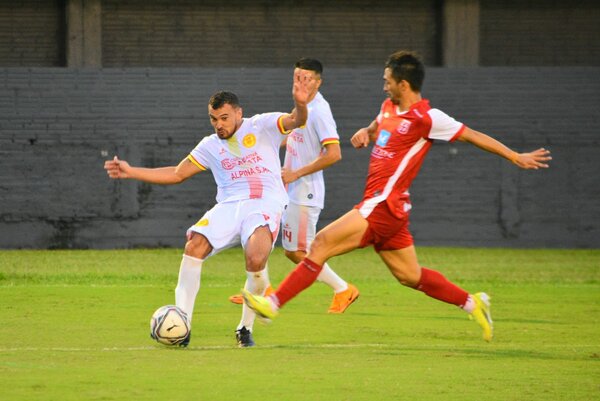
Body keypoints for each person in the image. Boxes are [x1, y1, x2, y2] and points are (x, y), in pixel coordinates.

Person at [242, 50, 552, 342]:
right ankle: (473, 304)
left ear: (403, 84)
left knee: (320, 243)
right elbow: (379, 127)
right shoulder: (389, 107)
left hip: (382, 204)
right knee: (409, 276)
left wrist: (514, 156)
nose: (384, 85)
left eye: (388, 81)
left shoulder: (428, 118)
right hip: (390, 210)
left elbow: (473, 136)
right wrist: (367, 131)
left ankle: (274, 303)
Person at [104, 70, 314, 348]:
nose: (219, 124)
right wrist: (132, 172)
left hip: (264, 204)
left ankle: (244, 328)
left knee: (255, 257)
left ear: (239, 113)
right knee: (194, 246)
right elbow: (178, 173)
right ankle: (183, 324)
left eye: (224, 118)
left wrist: (301, 103)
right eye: (214, 119)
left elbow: (297, 120)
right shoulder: (210, 145)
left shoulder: (262, 125)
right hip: (228, 206)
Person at [229, 58, 360, 313]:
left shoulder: (320, 112)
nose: (301, 82)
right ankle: (260, 289)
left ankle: (343, 288)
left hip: (304, 191)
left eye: (307, 78)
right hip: (289, 188)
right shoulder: (303, 106)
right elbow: (293, 137)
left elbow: (334, 154)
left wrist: (295, 173)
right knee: (265, 232)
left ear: (318, 82)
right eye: (297, 77)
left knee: (299, 252)